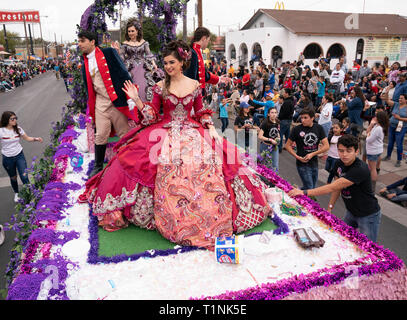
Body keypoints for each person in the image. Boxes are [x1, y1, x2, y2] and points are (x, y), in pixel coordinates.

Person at [79, 40, 271, 249]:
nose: (167, 67)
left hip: (192, 131)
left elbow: (200, 112)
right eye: (165, 63)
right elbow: (151, 116)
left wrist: (212, 129)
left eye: (171, 62)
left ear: (181, 62)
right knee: (141, 160)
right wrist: (138, 100)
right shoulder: (160, 87)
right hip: (164, 131)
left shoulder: (195, 86)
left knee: (207, 164)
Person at [289, 134, 381, 242]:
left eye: (349, 151)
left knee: (368, 247)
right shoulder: (339, 163)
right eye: (341, 151)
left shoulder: (360, 169)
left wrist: (304, 192)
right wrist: (330, 206)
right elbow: (337, 187)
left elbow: (333, 187)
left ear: (356, 152)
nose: (344, 154)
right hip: (351, 212)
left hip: (368, 214)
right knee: (343, 238)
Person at [78, 30, 138, 178]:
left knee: (124, 133)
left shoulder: (109, 53)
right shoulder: (84, 60)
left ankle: (128, 162)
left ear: (92, 42)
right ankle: (98, 166)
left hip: (115, 100)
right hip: (100, 103)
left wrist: (130, 96)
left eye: (82, 41)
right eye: (79, 41)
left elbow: (123, 73)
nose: (79, 44)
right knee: (101, 134)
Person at [111, 19, 160, 102]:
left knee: (144, 85)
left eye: (132, 31)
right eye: (129, 31)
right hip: (130, 68)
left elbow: (148, 55)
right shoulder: (125, 44)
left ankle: (145, 106)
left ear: (137, 31)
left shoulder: (144, 43)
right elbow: (122, 57)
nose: (130, 33)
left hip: (143, 68)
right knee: (132, 85)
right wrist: (118, 51)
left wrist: (154, 64)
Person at [1, 111, 43, 202]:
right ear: (7, 120)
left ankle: (31, 194)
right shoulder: (1, 131)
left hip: (19, 155)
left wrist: (36, 139)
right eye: (12, 119)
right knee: (13, 178)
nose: (15, 120)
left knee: (24, 176)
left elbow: (27, 138)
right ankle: (17, 193)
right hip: (7, 158)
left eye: (15, 118)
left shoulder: (18, 129)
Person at [285, 107, 329, 190]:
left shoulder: (319, 128)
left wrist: (313, 154)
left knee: (311, 188)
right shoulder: (296, 129)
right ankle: (295, 194)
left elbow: (326, 146)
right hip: (302, 163)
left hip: (314, 163)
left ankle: (294, 192)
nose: (303, 120)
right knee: (309, 188)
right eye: (301, 118)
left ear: (312, 118)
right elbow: (287, 145)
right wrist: (297, 157)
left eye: (305, 118)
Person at [184, 27, 228, 95]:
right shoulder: (193, 53)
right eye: (208, 40)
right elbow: (191, 77)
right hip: (192, 94)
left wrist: (218, 79)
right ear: (204, 38)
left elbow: (203, 74)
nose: (208, 43)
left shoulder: (196, 51)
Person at [366, 111, 389, 190]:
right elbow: (368, 131)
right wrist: (371, 125)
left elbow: (369, 140)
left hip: (373, 150)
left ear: (379, 119)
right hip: (377, 149)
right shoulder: (378, 126)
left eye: (375, 116)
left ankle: (372, 187)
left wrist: (368, 134)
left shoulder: (378, 128)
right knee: (374, 168)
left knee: (372, 169)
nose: (374, 117)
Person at [383, 94, 407, 167]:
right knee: (390, 143)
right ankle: (388, 156)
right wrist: (387, 91)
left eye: (401, 98)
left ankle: (399, 160)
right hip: (392, 126)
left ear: (406, 100)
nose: (399, 99)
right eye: (399, 98)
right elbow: (387, 100)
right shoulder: (396, 104)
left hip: (401, 128)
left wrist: (399, 118)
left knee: (399, 144)